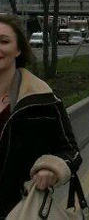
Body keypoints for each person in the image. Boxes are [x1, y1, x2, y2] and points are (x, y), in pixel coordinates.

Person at [0, 16, 82, 218]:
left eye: (4, 41)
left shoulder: (42, 100)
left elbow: (70, 151)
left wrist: (51, 168)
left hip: (20, 211)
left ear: (18, 50)